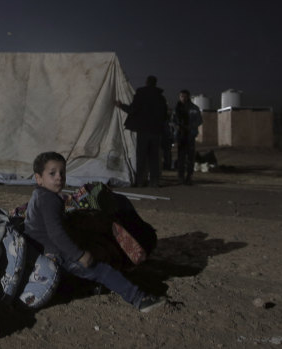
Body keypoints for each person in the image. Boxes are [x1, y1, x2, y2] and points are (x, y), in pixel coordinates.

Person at [23, 151, 166, 312]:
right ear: (38, 178)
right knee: (101, 270)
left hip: (41, 252)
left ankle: (89, 287)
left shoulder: (38, 195)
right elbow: (56, 234)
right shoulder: (49, 200)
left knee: (83, 269)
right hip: (56, 254)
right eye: (52, 173)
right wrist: (79, 255)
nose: (59, 177)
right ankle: (139, 299)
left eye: (62, 172)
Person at [116, 75, 168, 187]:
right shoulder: (161, 98)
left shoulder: (141, 94)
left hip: (143, 131)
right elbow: (165, 116)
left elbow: (132, 109)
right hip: (156, 131)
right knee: (154, 158)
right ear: (155, 83)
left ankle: (140, 181)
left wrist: (121, 106)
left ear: (146, 82)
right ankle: (154, 181)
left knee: (141, 157)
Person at [171, 89, 202, 185]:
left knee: (190, 158)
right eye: (181, 96)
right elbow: (172, 121)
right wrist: (177, 127)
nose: (183, 98)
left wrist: (191, 126)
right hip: (181, 136)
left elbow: (199, 120)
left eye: (185, 96)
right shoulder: (177, 108)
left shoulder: (194, 108)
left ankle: (189, 177)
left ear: (188, 97)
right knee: (181, 157)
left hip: (190, 135)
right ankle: (180, 177)